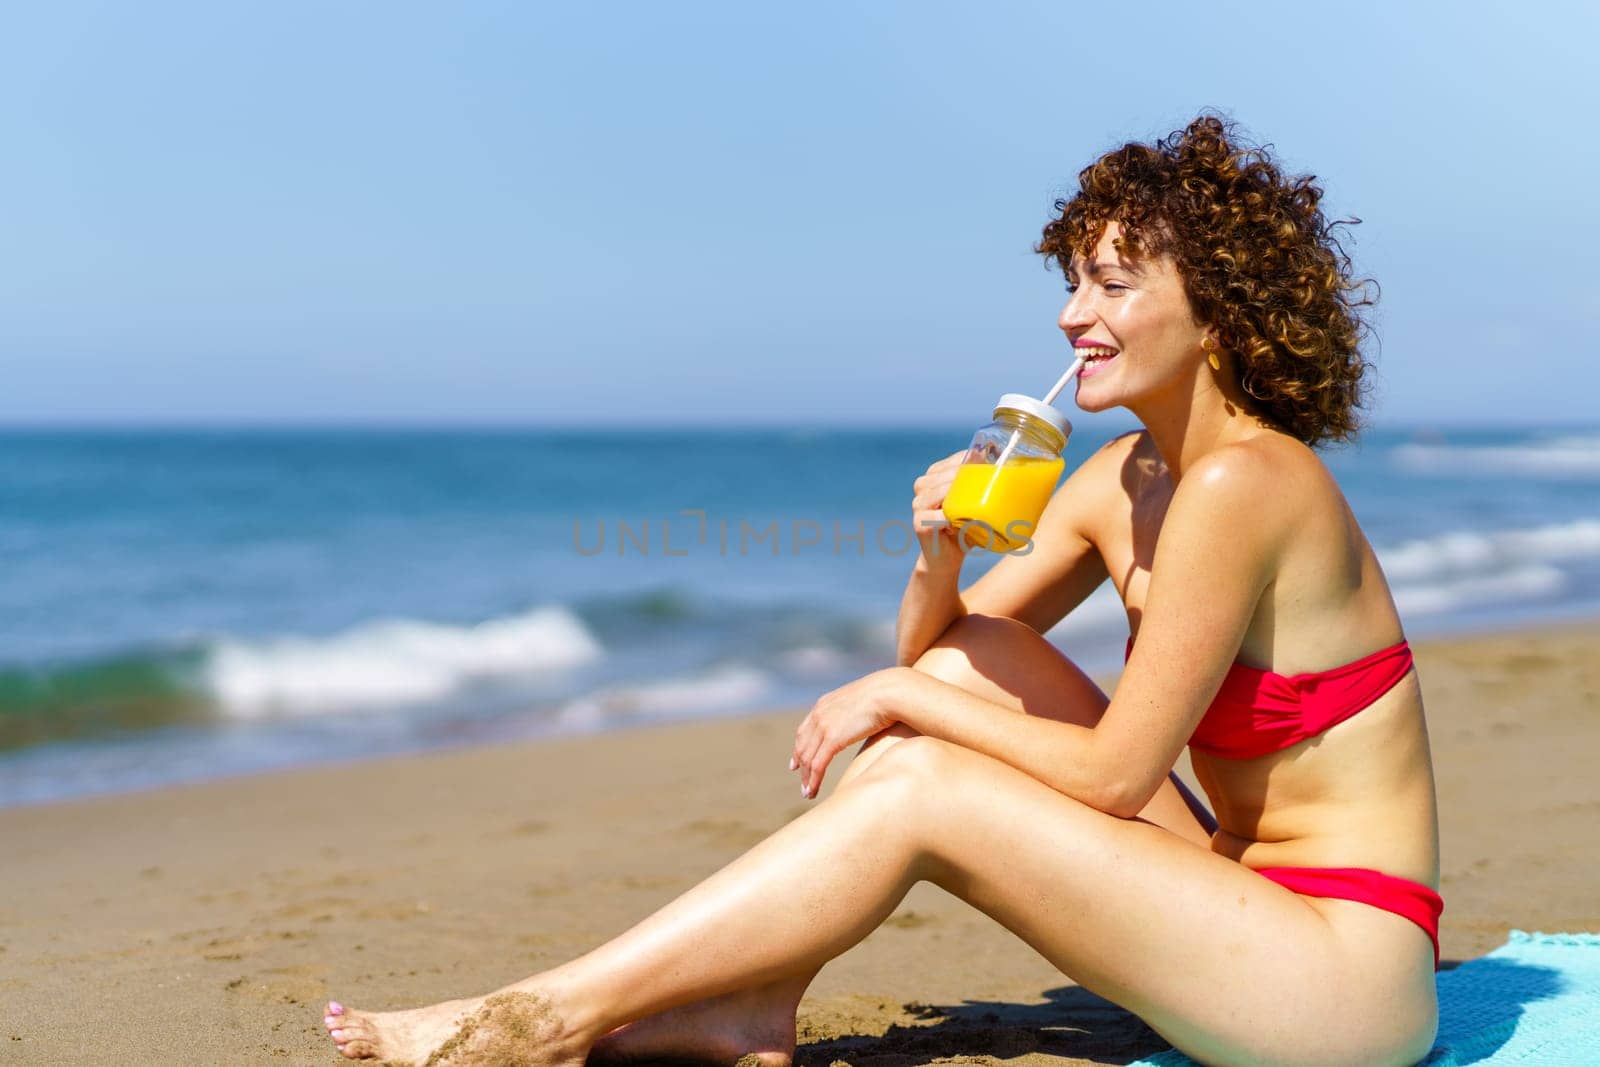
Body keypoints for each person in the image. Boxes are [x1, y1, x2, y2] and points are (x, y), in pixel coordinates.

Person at [322, 113, 1441, 1066]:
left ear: (1220, 312)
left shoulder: (1245, 482)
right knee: (961, 675)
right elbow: (942, 656)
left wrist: (899, 703)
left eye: (1111, 282)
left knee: (919, 778)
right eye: (1069, 280)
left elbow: (1109, 777)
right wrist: (938, 557)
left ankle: (545, 1017)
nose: (1069, 315)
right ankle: (753, 996)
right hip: (1240, 894)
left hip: (1341, 978)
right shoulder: (1124, 477)